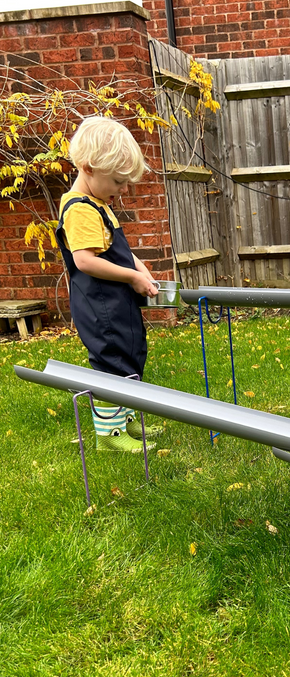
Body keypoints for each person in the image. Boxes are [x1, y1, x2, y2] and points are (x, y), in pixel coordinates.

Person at [56, 116, 162, 452]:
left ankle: (124, 419)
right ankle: (109, 435)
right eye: (118, 181)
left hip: (114, 301)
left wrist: (140, 269)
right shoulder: (79, 209)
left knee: (128, 355)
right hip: (99, 304)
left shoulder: (97, 204)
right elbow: (85, 261)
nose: (123, 189)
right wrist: (132, 276)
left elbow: (117, 250)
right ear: (88, 168)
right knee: (111, 362)